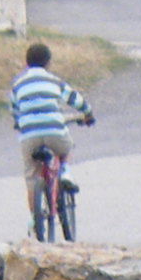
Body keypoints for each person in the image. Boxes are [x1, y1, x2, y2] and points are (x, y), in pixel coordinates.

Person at [9, 41, 90, 215]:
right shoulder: (54, 81)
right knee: (66, 148)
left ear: (27, 62)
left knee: (31, 177)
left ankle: (34, 221)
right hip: (54, 132)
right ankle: (66, 173)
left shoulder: (17, 84)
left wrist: (19, 122)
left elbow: (14, 109)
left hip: (29, 136)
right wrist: (88, 113)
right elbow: (76, 100)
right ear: (48, 63)